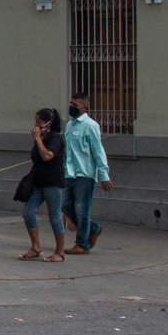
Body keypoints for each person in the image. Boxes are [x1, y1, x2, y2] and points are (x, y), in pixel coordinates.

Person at [61, 92, 113, 255]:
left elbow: (98, 151)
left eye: (75, 105)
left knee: (82, 209)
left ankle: (82, 244)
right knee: (65, 205)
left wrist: (103, 175)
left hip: (85, 174)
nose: (72, 108)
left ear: (85, 107)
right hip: (69, 173)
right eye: (71, 104)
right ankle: (93, 228)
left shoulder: (90, 125)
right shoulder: (69, 125)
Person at [18, 108, 67, 262]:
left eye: (39, 122)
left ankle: (60, 251)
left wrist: (38, 139)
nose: (36, 125)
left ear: (48, 124)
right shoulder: (42, 138)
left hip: (52, 182)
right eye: (35, 122)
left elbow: (47, 156)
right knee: (28, 212)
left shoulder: (55, 138)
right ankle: (35, 247)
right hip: (38, 182)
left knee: (54, 215)